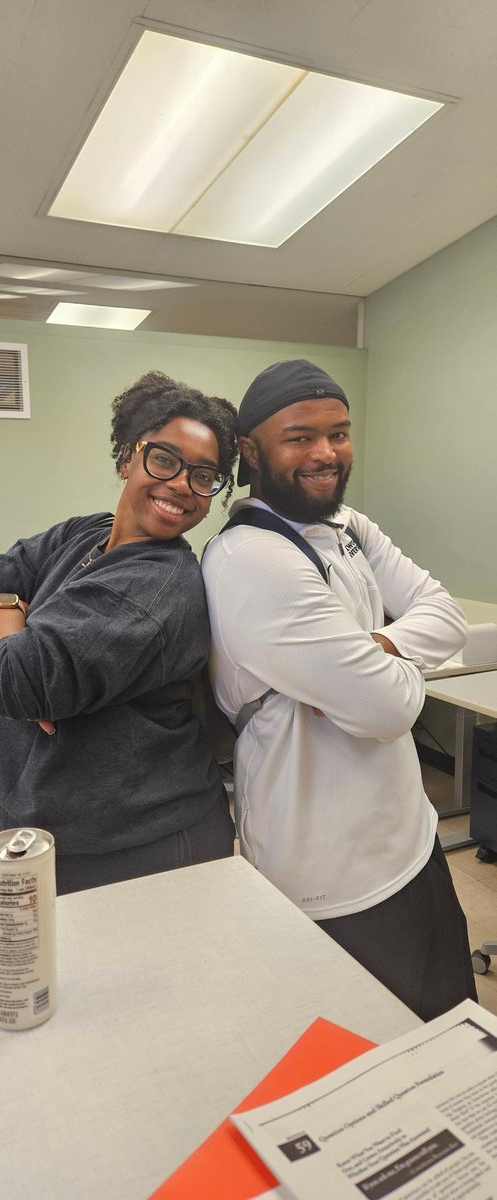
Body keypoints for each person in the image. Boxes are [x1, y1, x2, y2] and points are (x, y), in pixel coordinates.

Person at [202, 358, 477, 1021]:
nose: (325, 453)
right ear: (250, 450)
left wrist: (375, 650)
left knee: (448, 1034)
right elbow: (392, 708)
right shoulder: (249, 559)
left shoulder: (351, 527)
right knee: (357, 1063)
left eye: (339, 432)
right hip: (326, 870)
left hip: (409, 837)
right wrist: (378, 676)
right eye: (299, 436)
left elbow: (445, 614)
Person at [0, 370, 238, 920]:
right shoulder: (83, 534)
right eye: (164, 458)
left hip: (127, 845)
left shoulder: (156, 585)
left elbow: (9, 682)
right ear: (128, 455)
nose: (181, 485)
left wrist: (4, 612)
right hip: (35, 827)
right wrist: (2, 634)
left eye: (205, 476)